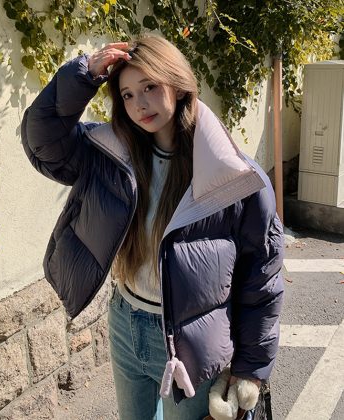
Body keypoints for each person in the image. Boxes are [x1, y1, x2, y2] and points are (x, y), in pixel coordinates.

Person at [21, 34, 284, 420]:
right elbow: (42, 144)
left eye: (149, 87)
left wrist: (249, 370)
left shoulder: (231, 177)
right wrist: (83, 74)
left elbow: (262, 278)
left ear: (177, 85)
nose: (139, 104)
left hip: (190, 343)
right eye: (127, 94)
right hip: (125, 321)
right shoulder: (112, 154)